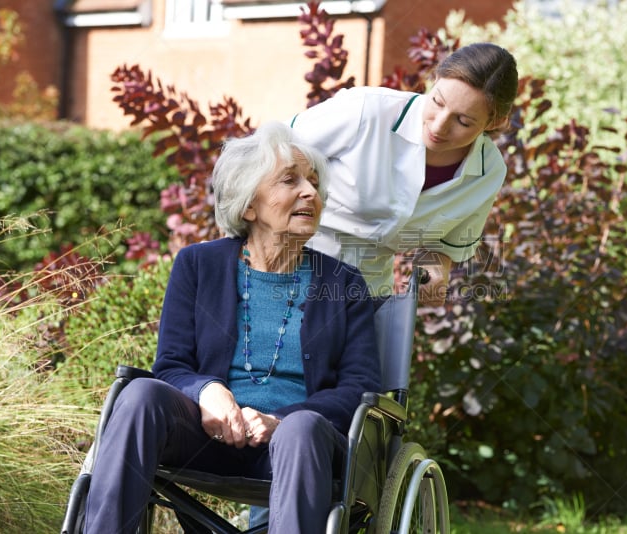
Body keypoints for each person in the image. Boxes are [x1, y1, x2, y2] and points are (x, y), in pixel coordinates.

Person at [82, 121, 381, 534]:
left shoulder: (344, 284)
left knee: (302, 428)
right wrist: (207, 391)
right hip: (207, 437)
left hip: (298, 448)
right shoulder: (198, 266)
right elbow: (171, 366)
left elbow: (358, 389)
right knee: (140, 395)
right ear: (248, 206)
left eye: (313, 183)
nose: (311, 193)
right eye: (290, 180)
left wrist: (282, 419)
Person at [288, 42, 518, 306]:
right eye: (437, 101)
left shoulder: (488, 171)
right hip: (291, 267)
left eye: (463, 121)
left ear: (494, 122)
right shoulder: (368, 110)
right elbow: (267, 155)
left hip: (368, 295)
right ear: (435, 80)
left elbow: (444, 247)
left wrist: (435, 273)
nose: (440, 126)